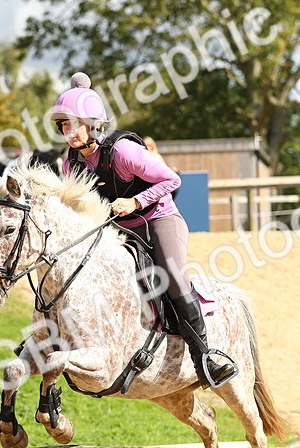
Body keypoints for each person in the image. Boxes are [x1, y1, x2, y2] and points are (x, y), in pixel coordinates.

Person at [51, 72, 237, 387]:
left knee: (174, 279)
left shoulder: (123, 151)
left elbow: (172, 180)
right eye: (63, 126)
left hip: (158, 219)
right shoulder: (71, 163)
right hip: (119, 231)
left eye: (74, 123)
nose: (69, 132)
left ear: (94, 124)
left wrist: (135, 202)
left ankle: (205, 356)